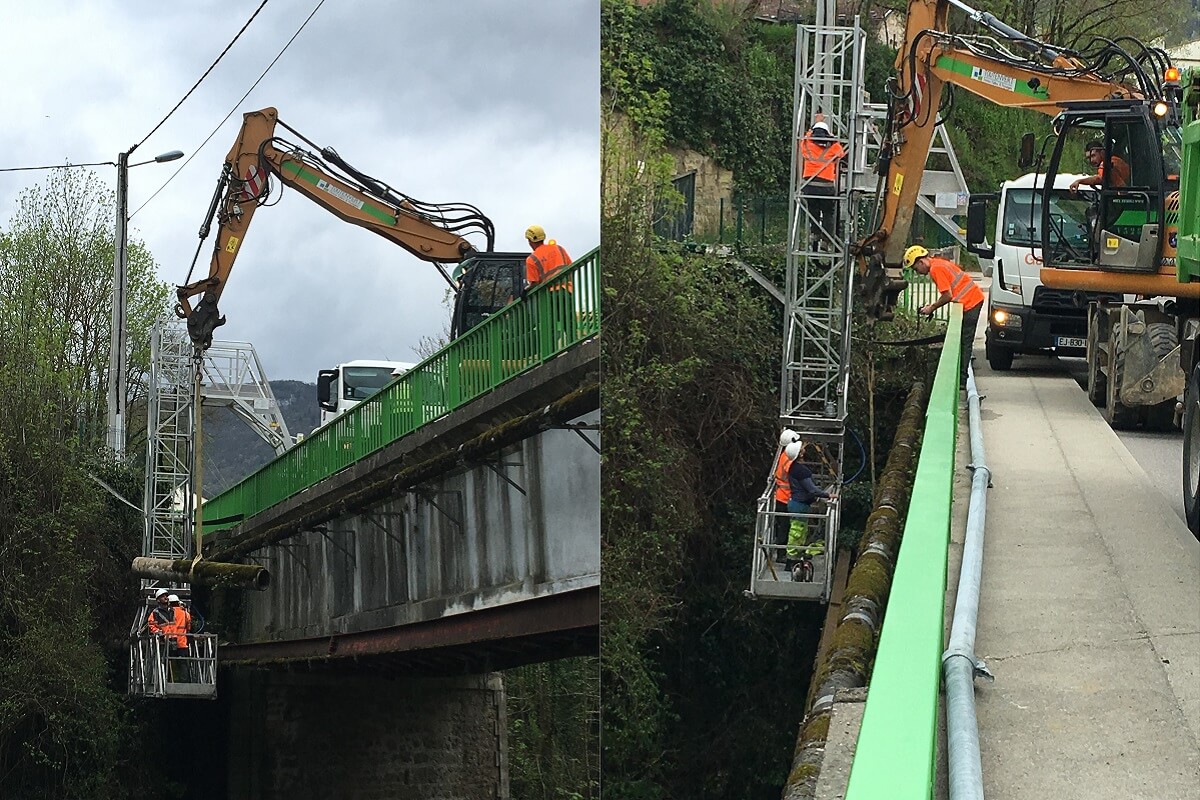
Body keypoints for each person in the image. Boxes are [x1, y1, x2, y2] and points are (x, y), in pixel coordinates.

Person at [905, 245, 985, 386]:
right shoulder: (939, 263)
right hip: (972, 299)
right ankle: (961, 377)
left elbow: (947, 295)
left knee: (965, 342)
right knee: (963, 341)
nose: (917, 272)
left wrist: (932, 307)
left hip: (971, 302)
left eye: (916, 269)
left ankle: (962, 380)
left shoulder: (936, 269)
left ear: (921, 262)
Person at [798, 113, 847, 250]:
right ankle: (826, 240)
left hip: (809, 184)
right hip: (826, 185)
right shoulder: (833, 148)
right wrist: (831, 136)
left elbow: (805, 139)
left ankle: (814, 233)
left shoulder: (807, 146)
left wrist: (814, 124)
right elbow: (841, 153)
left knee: (812, 208)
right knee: (828, 212)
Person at [784, 440, 833, 566]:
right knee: (797, 533)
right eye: (801, 448)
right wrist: (827, 495)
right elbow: (811, 489)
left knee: (801, 532)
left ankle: (797, 556)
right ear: (799, 454)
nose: (803, 448)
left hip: (797, 503)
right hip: (800, 505)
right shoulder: (801, 470)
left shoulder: (794, 468)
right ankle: (791, 560)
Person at [773, 428, 802, 564]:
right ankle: (782, 554)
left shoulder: (784, 456)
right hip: (786, 498)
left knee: (783, 526)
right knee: (786, 527)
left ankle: (782, 552)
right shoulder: (789, 461)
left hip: (781, 497)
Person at [524, 225, 572, 290]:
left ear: (530, 241)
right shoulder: (559, 248)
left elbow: (534, 283)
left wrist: (526, 290)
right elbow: (570, 266)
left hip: (549, 295)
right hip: (568, 290)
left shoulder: (532, 259)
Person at [167, 594, 192, 681]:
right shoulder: (186, 614)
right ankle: (184, 682)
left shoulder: (167, 613)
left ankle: (168, 681)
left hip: (170, 641)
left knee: (168, 662)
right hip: (182, 643)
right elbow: (188, 627)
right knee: (183, 663)